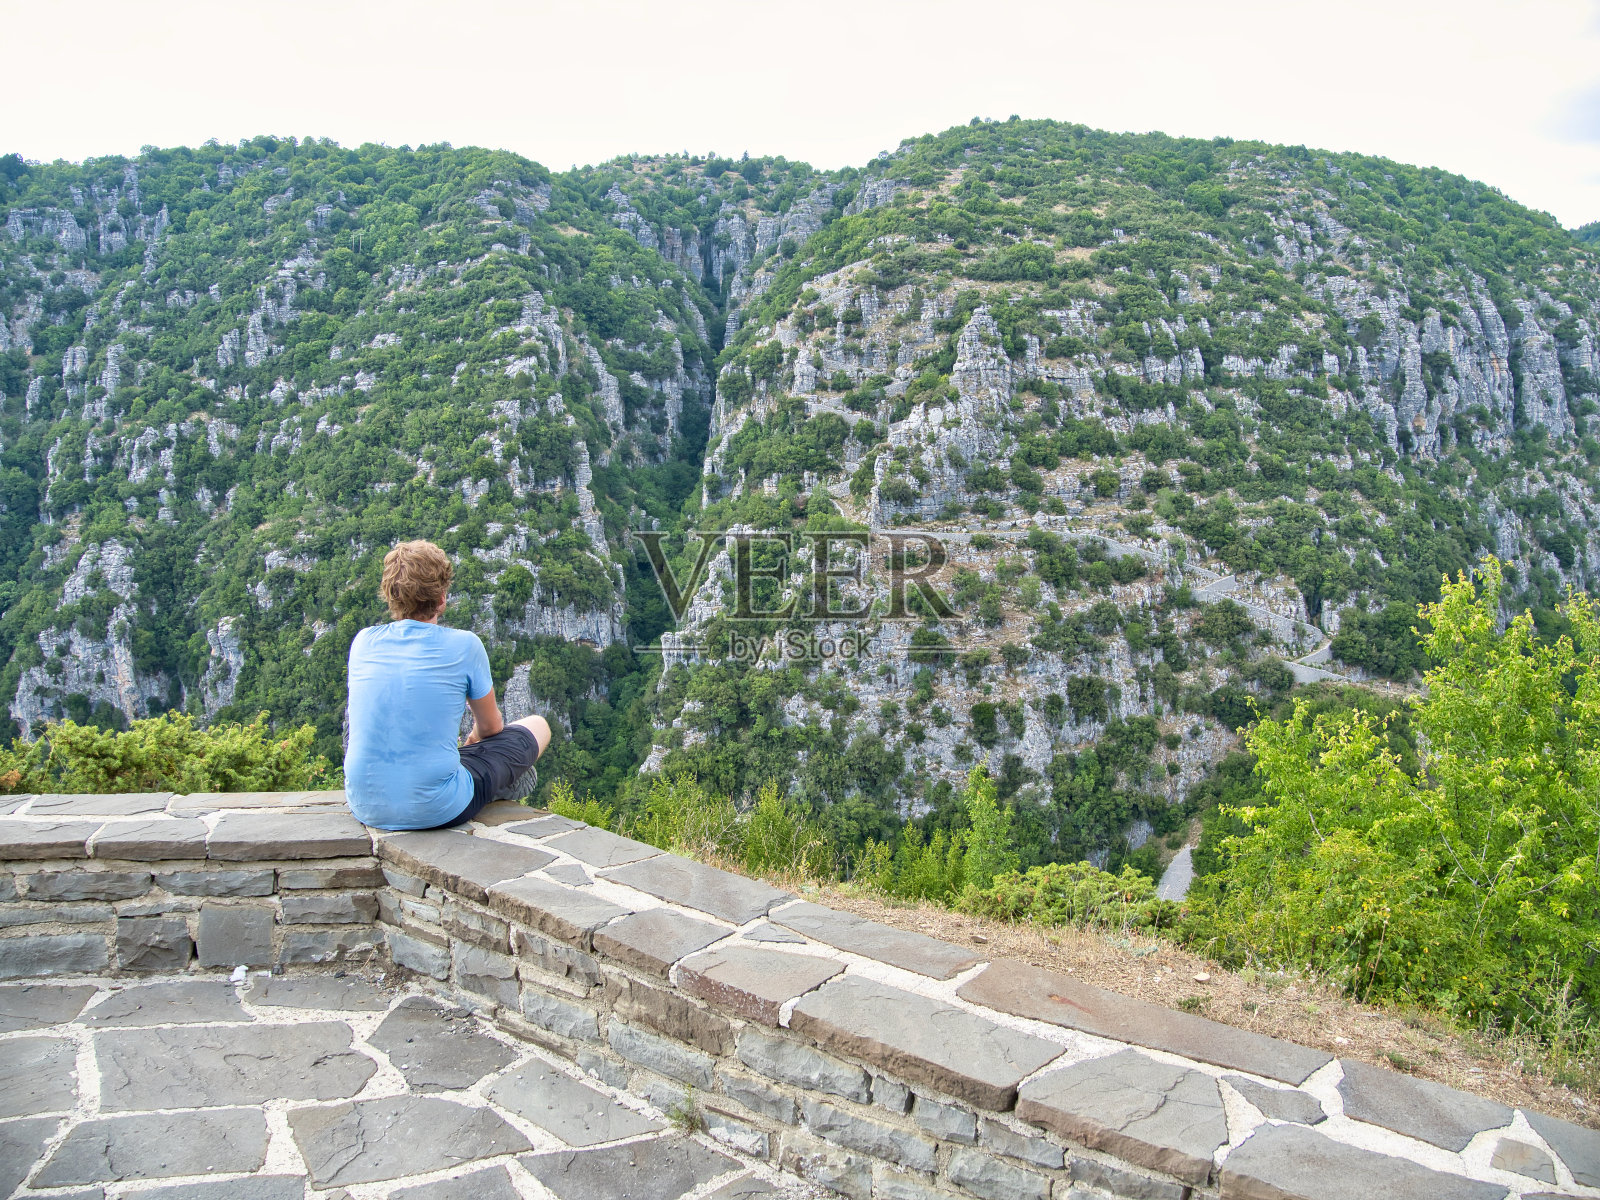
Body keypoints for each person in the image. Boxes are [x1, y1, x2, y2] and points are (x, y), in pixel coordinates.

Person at [344, 539, 550, 830]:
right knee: (538, 726)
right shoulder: (464, 645)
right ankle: (504, 785)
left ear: (390, 596)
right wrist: (474, 741)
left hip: (365, 803)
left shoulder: (363, 641)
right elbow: (491, 728)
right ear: (442, 598)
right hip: (438, 807)